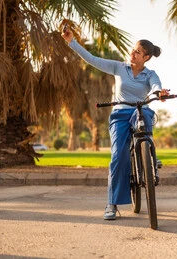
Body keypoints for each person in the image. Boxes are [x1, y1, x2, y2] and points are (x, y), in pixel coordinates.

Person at [62, 24, 169, 220]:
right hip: (120, 112)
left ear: (146, 57)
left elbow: (155, 87)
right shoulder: (119, 67)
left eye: (138, 52)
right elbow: (92, 59)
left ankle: (149, 157)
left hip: (139, 110)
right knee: (119, 156)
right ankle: (112, 204)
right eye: (133, 50)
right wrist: (72, 42)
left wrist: (159, 94)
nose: (133, 53)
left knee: (145, 115)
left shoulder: (150, 74)